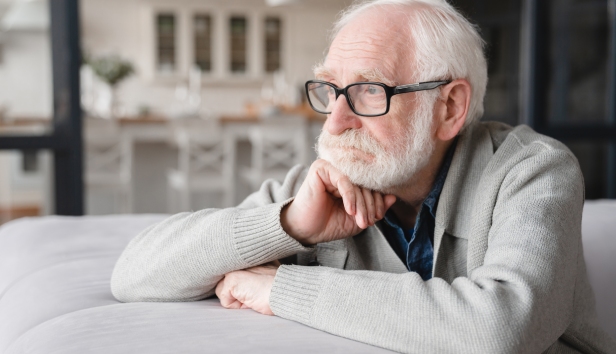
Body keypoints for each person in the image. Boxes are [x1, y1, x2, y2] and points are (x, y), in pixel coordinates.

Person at [111, 0, 616, 352]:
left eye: (370, 91)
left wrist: (281, 289)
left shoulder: (535, 171)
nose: (335, 120)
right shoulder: (325, 186)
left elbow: (501, 330)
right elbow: (132, 275)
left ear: (450, 108)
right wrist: (288, 224)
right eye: (331, 90)